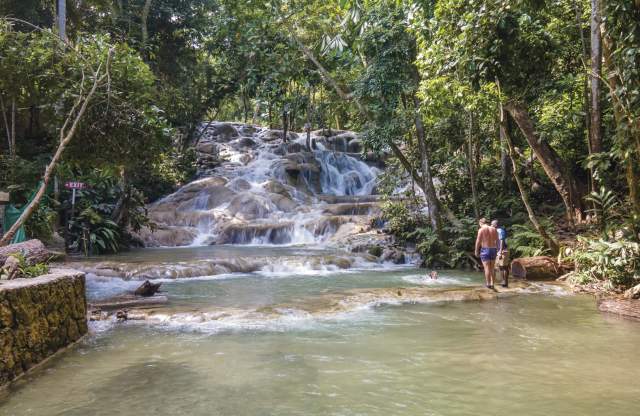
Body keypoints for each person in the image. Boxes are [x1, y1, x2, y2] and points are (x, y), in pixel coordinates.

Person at [475, 217, 499, 289]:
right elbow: (497, 240)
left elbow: (478, 241)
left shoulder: (481, 229)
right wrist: (498, 250)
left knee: (487, 268)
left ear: (480, 223)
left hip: (485, 249)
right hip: (493, 249)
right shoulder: (494, 229)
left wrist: (476, 250)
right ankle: (492, 283)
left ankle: (488, 284)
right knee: (492, 268)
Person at [492, 220, 510, 288]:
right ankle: (504, 281)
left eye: (492, 224)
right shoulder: (498, 230)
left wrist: (500, 251)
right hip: (501, 250)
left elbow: (502, 240)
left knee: (503, 267)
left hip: (503, 251)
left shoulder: (499, 230)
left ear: (496, 225)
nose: (491, 225)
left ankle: (505, 282)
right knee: (501, 267)